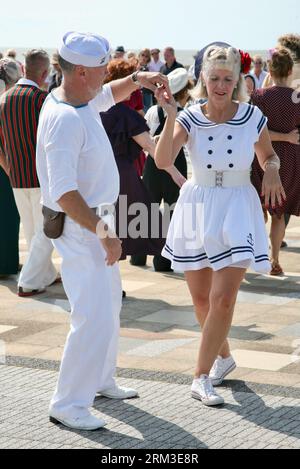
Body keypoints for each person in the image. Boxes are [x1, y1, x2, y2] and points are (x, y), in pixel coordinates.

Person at [37, 31, 170, 431]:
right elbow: (62, 191)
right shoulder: (63, 118)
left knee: (109, 306)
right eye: (100, 68)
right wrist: (102, 231)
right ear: (80, 72)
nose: (106, 73)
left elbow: (106, 94)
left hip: (97, 224)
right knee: (91, 316)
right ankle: (68, 403)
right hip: (84, 228)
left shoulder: (74, 98)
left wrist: (138, 80)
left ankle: (99, 381)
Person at [154, 45, 285, 407]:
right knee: (201, 300)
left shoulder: (252, 116)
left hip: (238, 206)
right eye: (214, 78)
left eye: (228, 79)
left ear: (238, 81)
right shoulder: (190, 118)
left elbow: (268, 154)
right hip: (197, 205)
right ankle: (223, 358)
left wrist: (272, 170)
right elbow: (163, 159)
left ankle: (200, 376)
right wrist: (169, 115)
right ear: (203, 80)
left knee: (222, 298)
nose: (221, 85)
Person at [101, 60, 185, 271]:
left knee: (105, 228)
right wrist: (175, 174)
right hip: (122, 177)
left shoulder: (94, 110)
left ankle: (108, 279)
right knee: (142, 225)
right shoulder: (126, 115)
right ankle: (111, 283)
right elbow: (151, 147)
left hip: (97, 175)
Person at [0, 49, 58, 297]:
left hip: (16, 177)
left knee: (31, 229)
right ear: (45, 73)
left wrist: (8, 168)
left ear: (24, 68)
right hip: (39, 177)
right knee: (44, 232)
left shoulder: (4, 98)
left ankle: (46, 274)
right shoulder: (41, 99)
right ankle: (30, 279)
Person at [137, 68, 192, 272]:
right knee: (171, 212)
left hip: (152, 163)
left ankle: (138, 255)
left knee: (147, 210)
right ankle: (162, 260)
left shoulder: (153, 111)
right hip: (175, 164)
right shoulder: (185, 115)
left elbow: (148, 139)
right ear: (184, 92)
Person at [251, 48, 300, 275]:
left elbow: (252, 130)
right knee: (278, 213)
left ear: (269, 69)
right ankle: (274, 258)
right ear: (290, 70)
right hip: (288, 159)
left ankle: (253, 252)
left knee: (256, 207)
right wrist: (288, 137)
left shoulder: (259, 96)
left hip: (261, 157)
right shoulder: (297, 99)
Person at [0, 59, 21, 277]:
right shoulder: (5, 100)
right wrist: (9, 169)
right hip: (4, 167)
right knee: (7, 216)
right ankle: (6, 263)